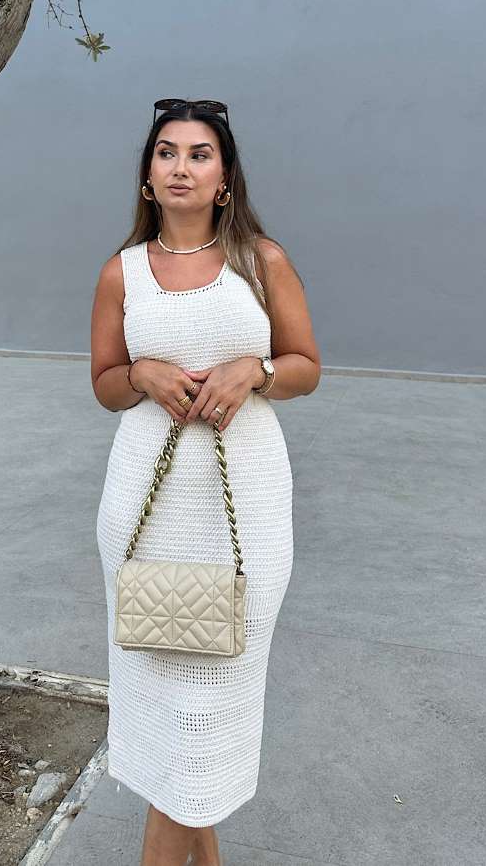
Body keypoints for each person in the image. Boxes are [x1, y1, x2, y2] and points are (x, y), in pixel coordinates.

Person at [90, 98, 321, 866]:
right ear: (147, 176)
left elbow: (305, 367)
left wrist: (253, 371)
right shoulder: (120, 274)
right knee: (167, 707)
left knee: (210, 705)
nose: (180, 166)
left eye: (198, 154)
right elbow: (104, 385)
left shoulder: (263, 260)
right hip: (144, 511)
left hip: (245, 508)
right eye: (166, 153)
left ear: (224, 178)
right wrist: (142, 374)